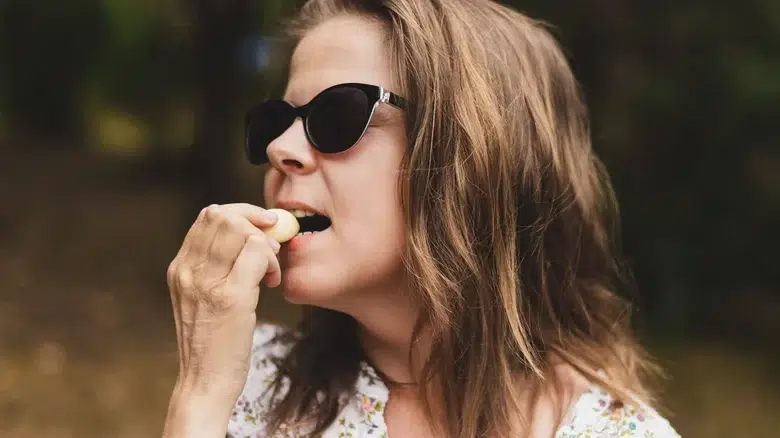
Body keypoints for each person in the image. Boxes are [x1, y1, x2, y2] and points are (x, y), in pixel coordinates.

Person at [162, 0, 681, 437]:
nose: (280, 147)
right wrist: (201, 396)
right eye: (275, 122)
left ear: (476, 156)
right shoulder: (245, 376)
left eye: (337, 115)